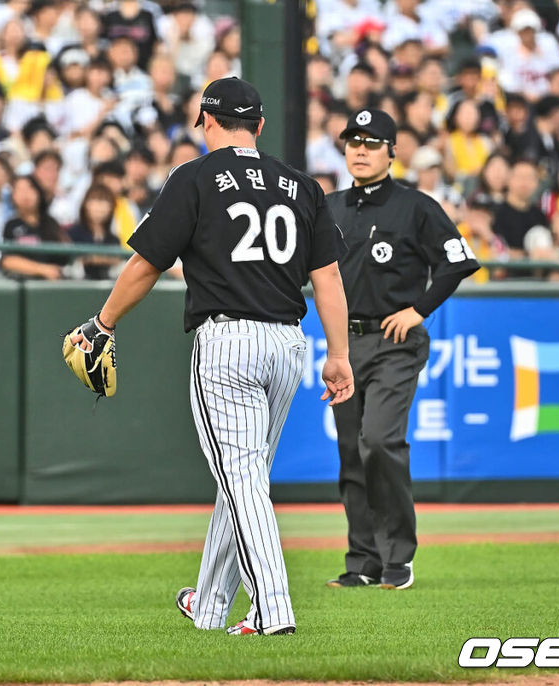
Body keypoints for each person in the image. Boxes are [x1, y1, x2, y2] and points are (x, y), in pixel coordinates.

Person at [65, 77, 353, 635]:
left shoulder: (195, 176)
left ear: (207, 123)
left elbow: (147, 261)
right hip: (288, 344)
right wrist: (337, 354)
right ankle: (211, 606)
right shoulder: (301, 184)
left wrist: (103, 322)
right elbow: (328, 277)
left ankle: (273, 610)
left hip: (227, 342)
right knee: (242, 478)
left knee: (241, 479)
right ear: (260, 126)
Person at [324, 108, 478, 591]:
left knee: (379, 440)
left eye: (372, 143)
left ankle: (398, 556)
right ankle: (363, 562)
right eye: (353, 142)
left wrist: (419, 309)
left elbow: (457, 261)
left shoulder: (416, 206)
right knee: (352, 451)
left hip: (394, 342)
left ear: (392, 151)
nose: (361, 150)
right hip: (345, 342)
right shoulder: (327, 207)